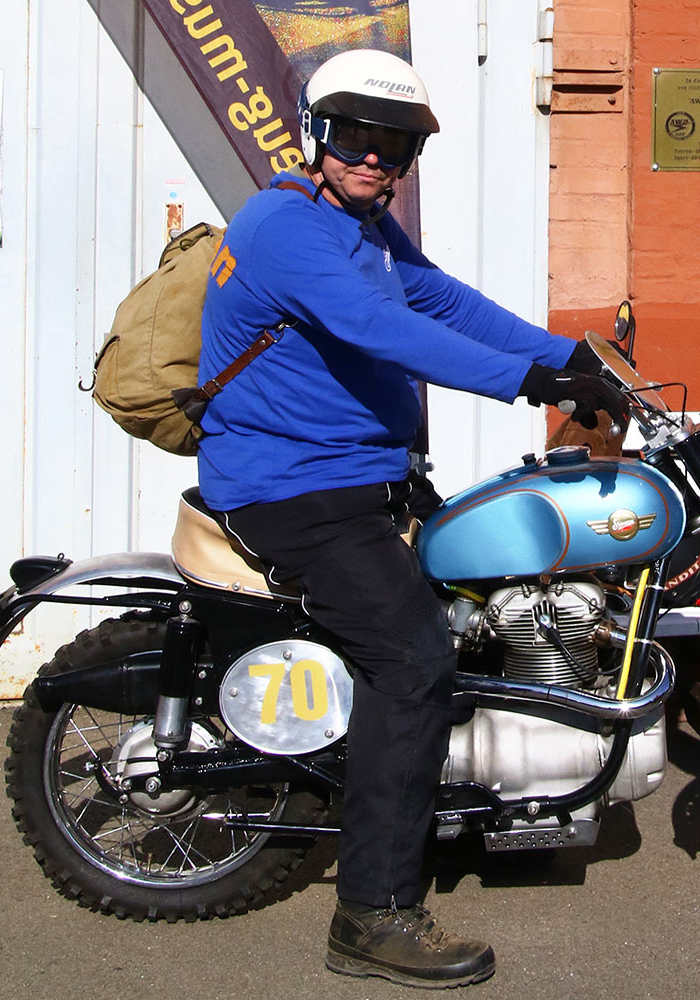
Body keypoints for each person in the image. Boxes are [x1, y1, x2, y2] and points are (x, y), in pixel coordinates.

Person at [194, 48, 627, 989]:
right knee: (415, 658)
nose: (375, 158)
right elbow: (385, 331)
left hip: (363, 479)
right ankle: (374, 913)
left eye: (395, 146)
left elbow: (442, 301)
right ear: (320, 135)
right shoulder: (287, 225)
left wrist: (576, 354)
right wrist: (534, 383)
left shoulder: (366, 230)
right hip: (295, 490)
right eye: (356, 136)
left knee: (485, 594)